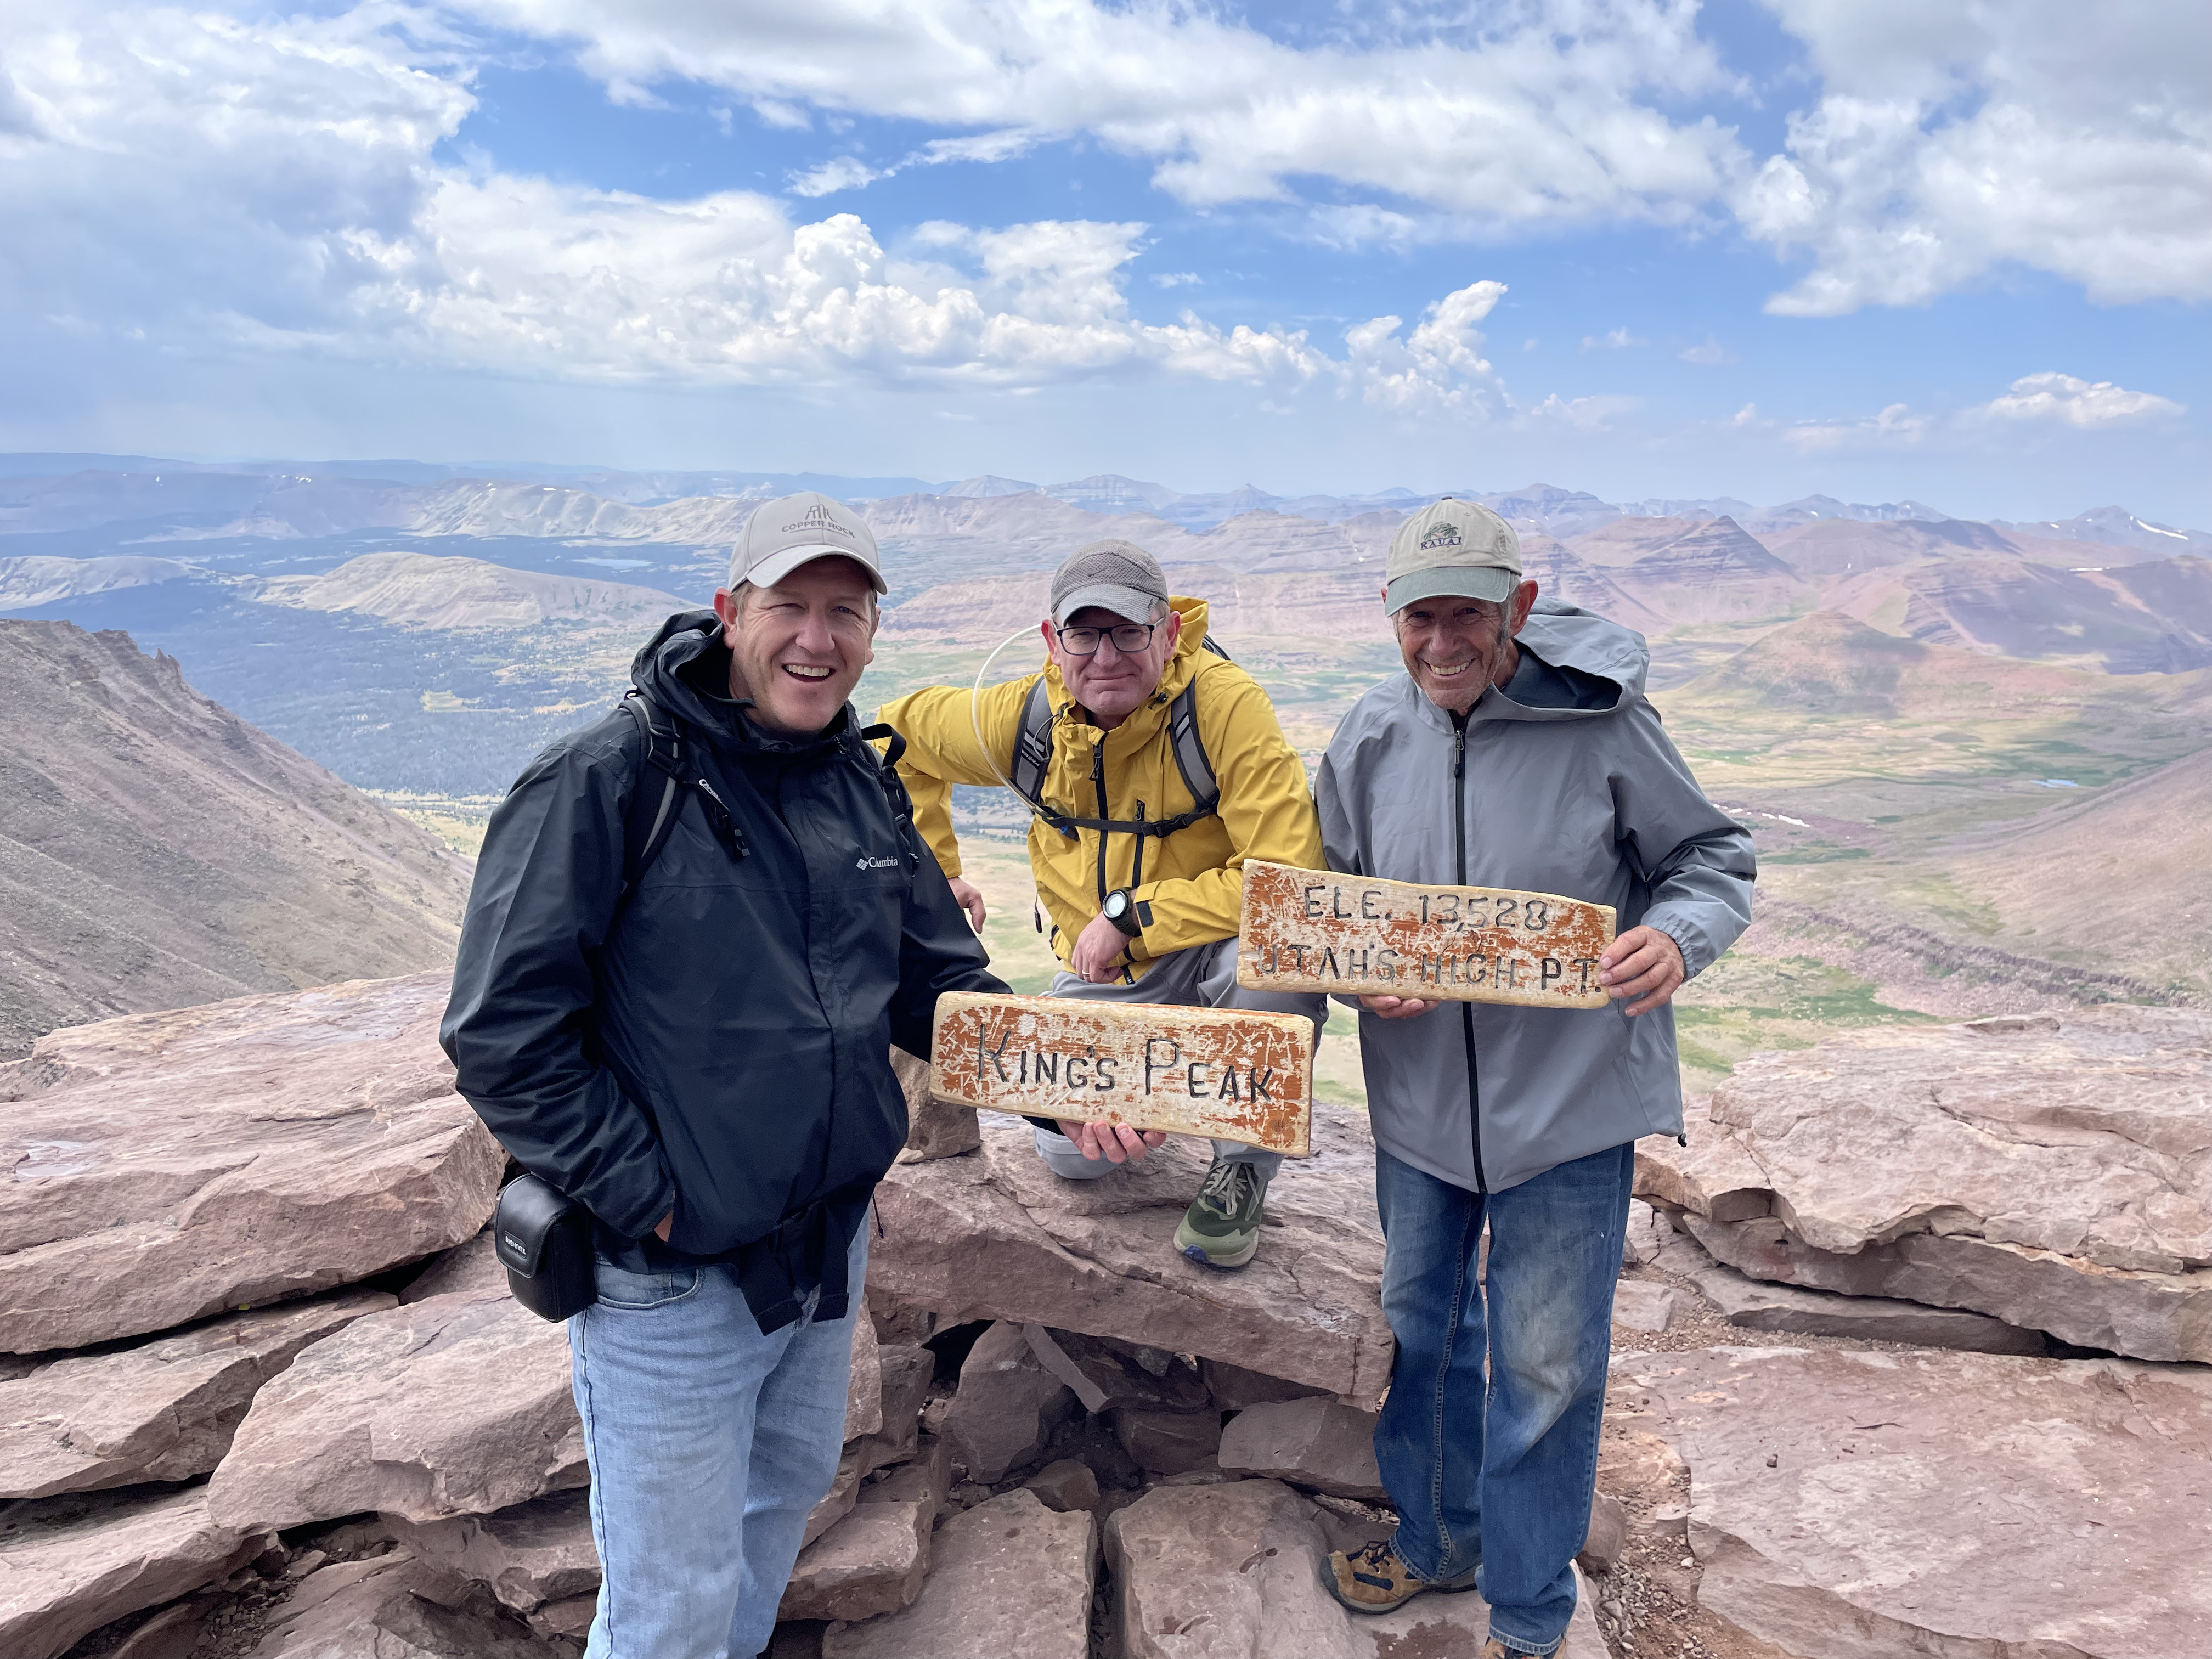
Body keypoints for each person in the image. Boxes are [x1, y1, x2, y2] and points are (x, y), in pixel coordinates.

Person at [440, 492, 1002, 1659]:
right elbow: (501, 1032)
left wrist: (1081, 1086)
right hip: (672, 1274)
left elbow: (932, 983)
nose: (817, 637)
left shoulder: (857, 774)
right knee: (671, 1607)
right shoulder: (609, 777)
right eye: (789, 605)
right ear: (728, 612)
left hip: (823, 1243)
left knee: (774, 1514)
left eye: (844, 611)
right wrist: (652, 1193)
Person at [1313, 498, 1754, 1656]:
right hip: (1415, 1115)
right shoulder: (1365, 738)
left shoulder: (1603, 729)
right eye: (1420, 617)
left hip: (1569, 1114)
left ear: (1519, 607)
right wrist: (1357, 976)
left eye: (1468, 614)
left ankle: (1529, 1612)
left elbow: (1710, 860)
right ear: (1388, 616)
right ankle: (1436, 1541)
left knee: (1549, 1369)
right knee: (1422, 1332)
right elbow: (1324, 908)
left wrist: (1680, 937)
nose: (1442, 642)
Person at [878, 539, 1326, 1268]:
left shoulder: (1224, 708)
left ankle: (1241, 1164)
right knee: (1075, 1156)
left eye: (1128, 631)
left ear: (1169, 632)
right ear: (1053, 643)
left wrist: (1132, 917)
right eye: (1084, 634)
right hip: (1109, 977)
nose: (1106, 657)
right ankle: (1163, 1085)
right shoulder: (1025, 716)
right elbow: (897, 737)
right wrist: (939, 876)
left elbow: (1288, 881)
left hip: (1214, 956)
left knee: (1275, 962)